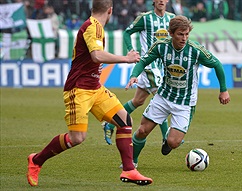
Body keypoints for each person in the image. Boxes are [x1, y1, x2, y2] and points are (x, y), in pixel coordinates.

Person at [26, 0, 153, 187]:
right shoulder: (92, 27)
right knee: (77, 138)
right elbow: (97, 55)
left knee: (125, 120)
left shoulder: (95, 26)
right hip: (78, 89)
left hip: (94, 87)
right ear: (110, 11)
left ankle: (129, 170)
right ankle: (36, 160)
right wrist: (126, 59)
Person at [125, 15, 230, 159]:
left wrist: (223, 90)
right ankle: (132, 163)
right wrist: (134, 75)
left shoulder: (195, 50)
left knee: (173, 142)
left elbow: (217, 64)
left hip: (185, 102)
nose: (184, 38)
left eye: (187, 34)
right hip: (163, 96)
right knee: (142, 131)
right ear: (171, 33)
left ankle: (169, 137)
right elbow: (143, 61)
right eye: (180, 34)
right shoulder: (161, 46)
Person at [102, 0, 175, 166]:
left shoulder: (172, 19)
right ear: (154, 1)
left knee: (138, 101)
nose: (162, 1)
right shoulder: (145, 18)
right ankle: (166, 136)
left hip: (162, 67)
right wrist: (131, 50)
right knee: (161, 98)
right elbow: (127, 32)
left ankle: (110, 122)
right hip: (149, 65)